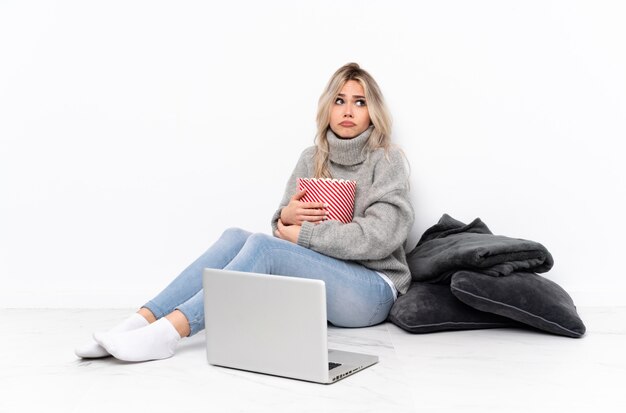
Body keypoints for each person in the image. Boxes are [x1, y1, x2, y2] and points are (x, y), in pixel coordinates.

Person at [75, 62, 415, 362]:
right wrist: (286, 218)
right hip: (324, 282)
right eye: (340, 100)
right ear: (327, 107)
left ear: (374, 111)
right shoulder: (312, 157)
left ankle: (168, 334)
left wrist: (305, 233)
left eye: (360, 102)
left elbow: (381, 236)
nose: (348, 110)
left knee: (264, 249)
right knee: (235, 237)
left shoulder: (386, 160)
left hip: (373, 289)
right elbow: (280, 228)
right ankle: (138, 322)